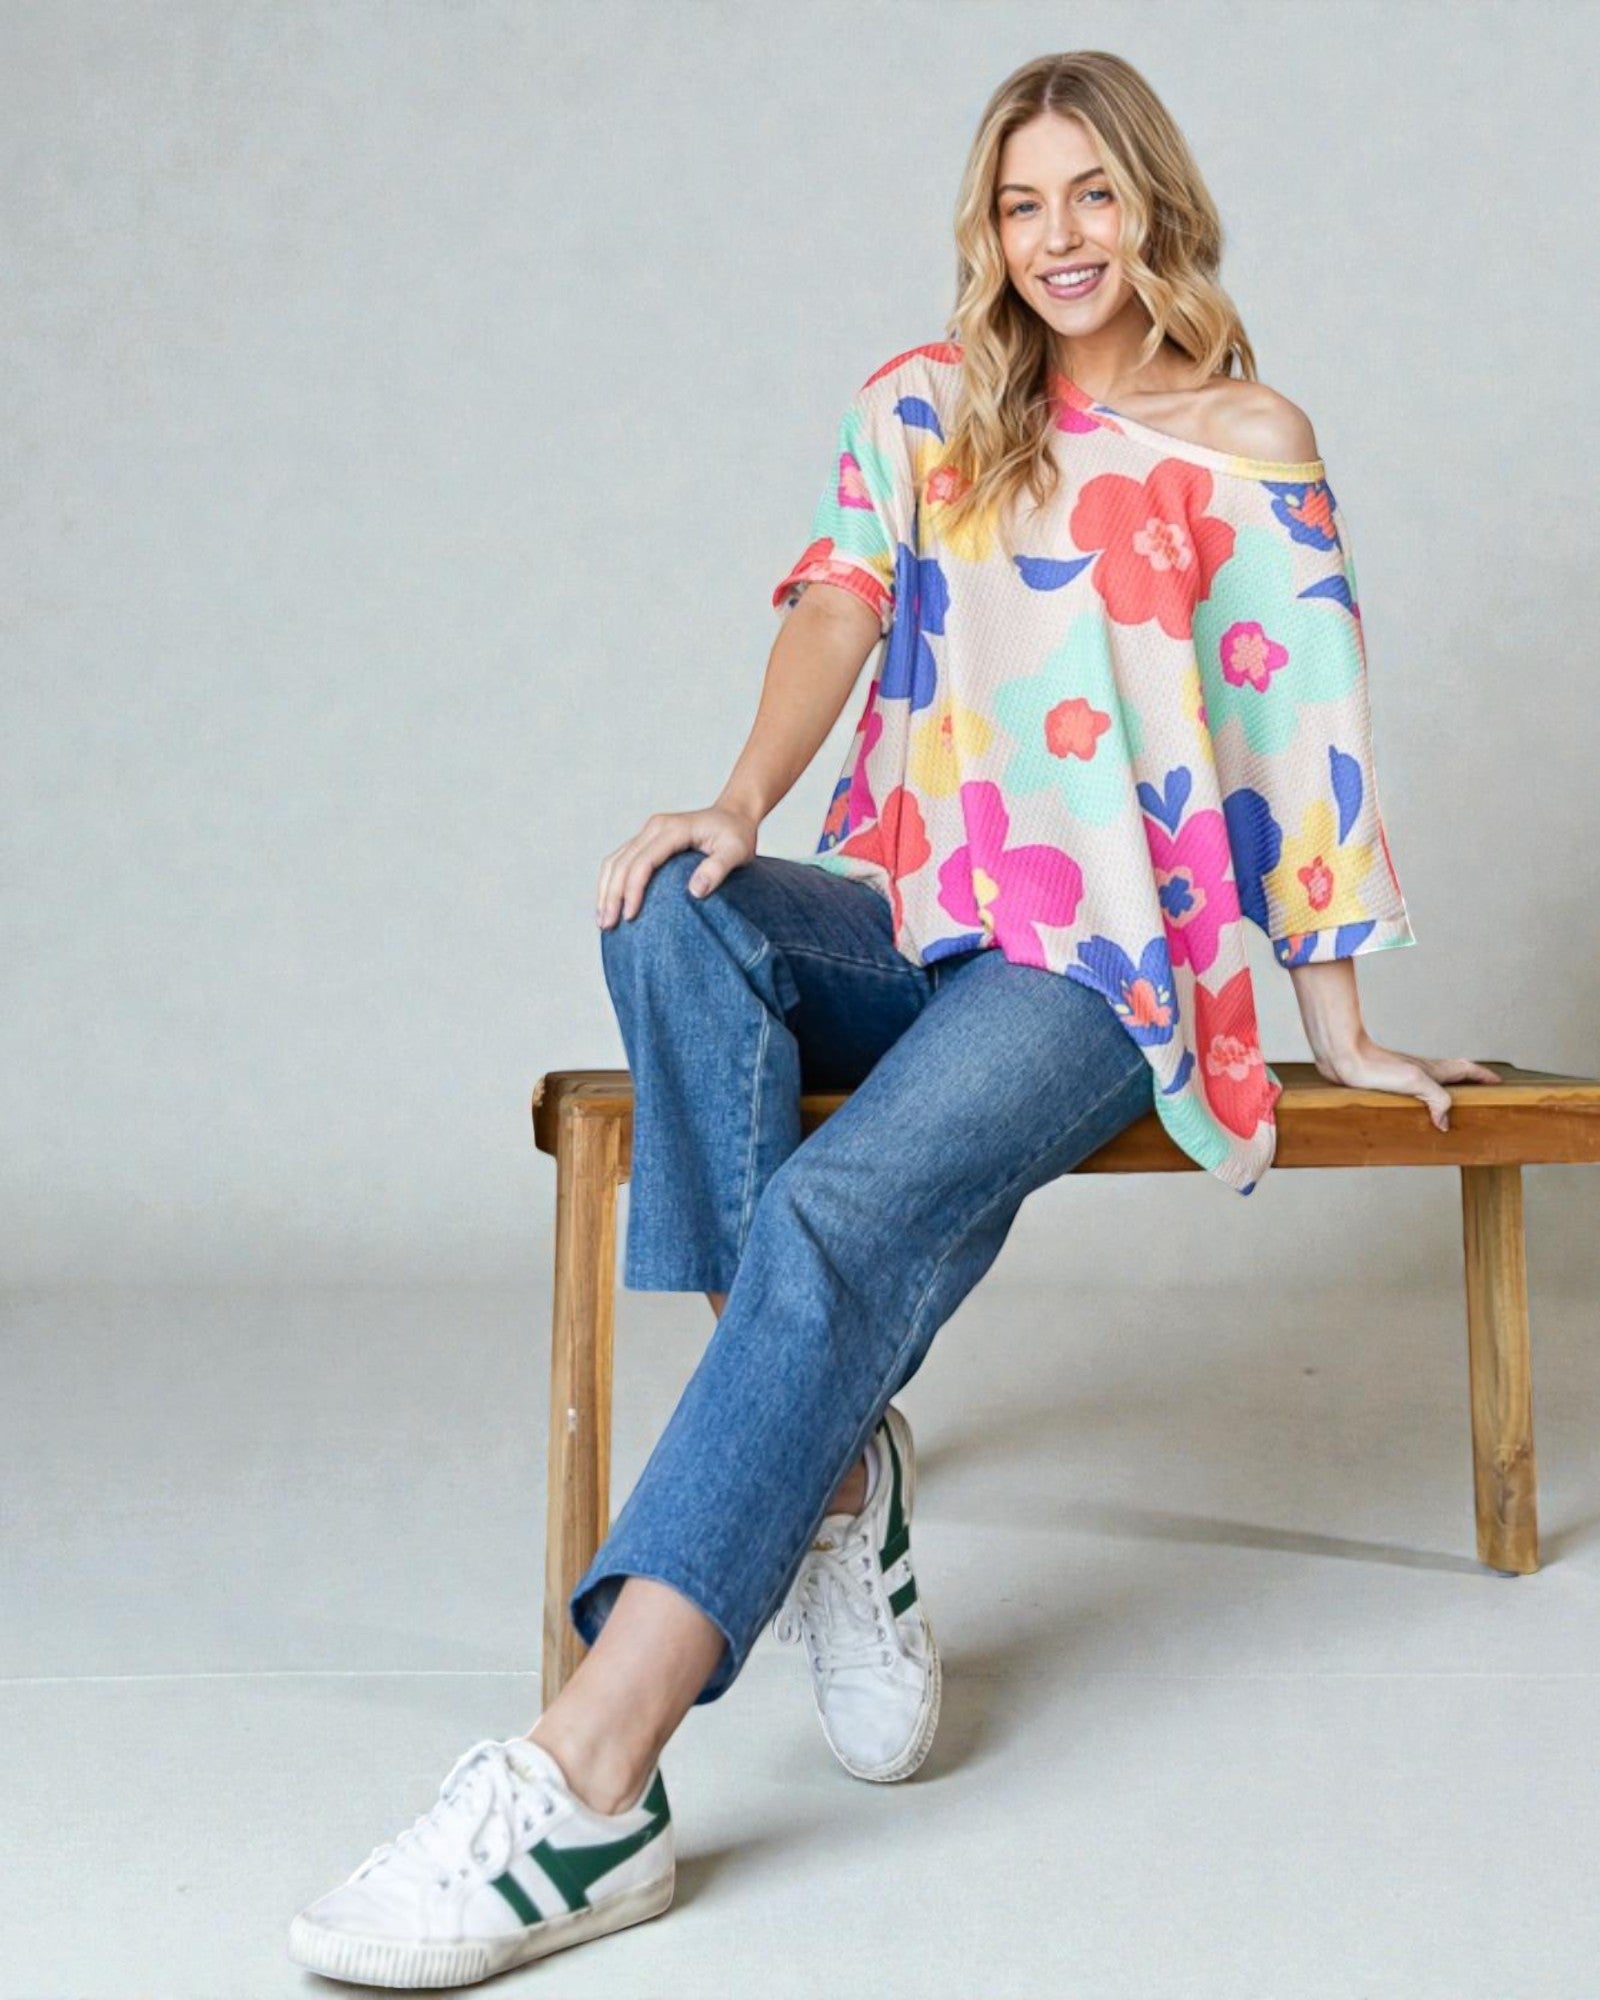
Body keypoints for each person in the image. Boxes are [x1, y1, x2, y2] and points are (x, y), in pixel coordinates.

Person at [288, 48, 1502, 1989]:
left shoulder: (1238, 438)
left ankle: (591, 1774)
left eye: (1089, 195)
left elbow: (1297, 746)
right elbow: (838, 606)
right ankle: (838, 1469)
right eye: (1021, 204)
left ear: (1151, 206)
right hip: (930, 920)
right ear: (987, 230)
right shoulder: (928, 408)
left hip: (1109, 968)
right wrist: (739, 804)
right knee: (679, 920)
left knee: (841, 1218)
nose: (1057, 236)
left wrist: (1334, 1020)